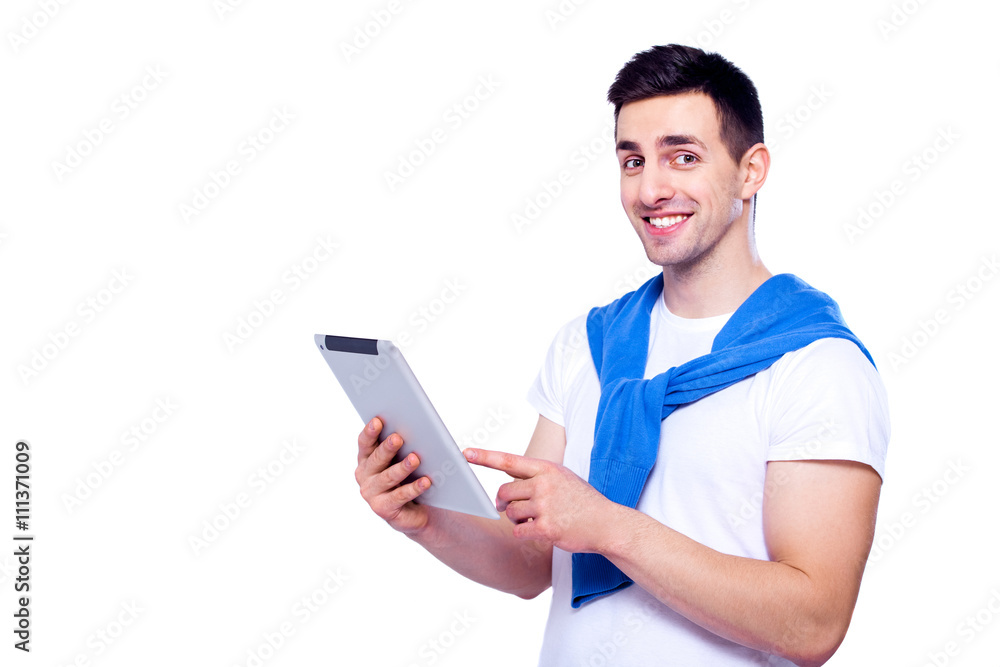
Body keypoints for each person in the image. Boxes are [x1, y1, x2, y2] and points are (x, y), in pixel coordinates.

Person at [354, 44, 889, 666]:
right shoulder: (587, 345)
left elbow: (812, 623)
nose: (651, 188)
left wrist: (608, 526)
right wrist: (424, 521)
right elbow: (531, 563)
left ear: (751, 170)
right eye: (631, 161)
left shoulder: (817, 366)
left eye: (682, 157)